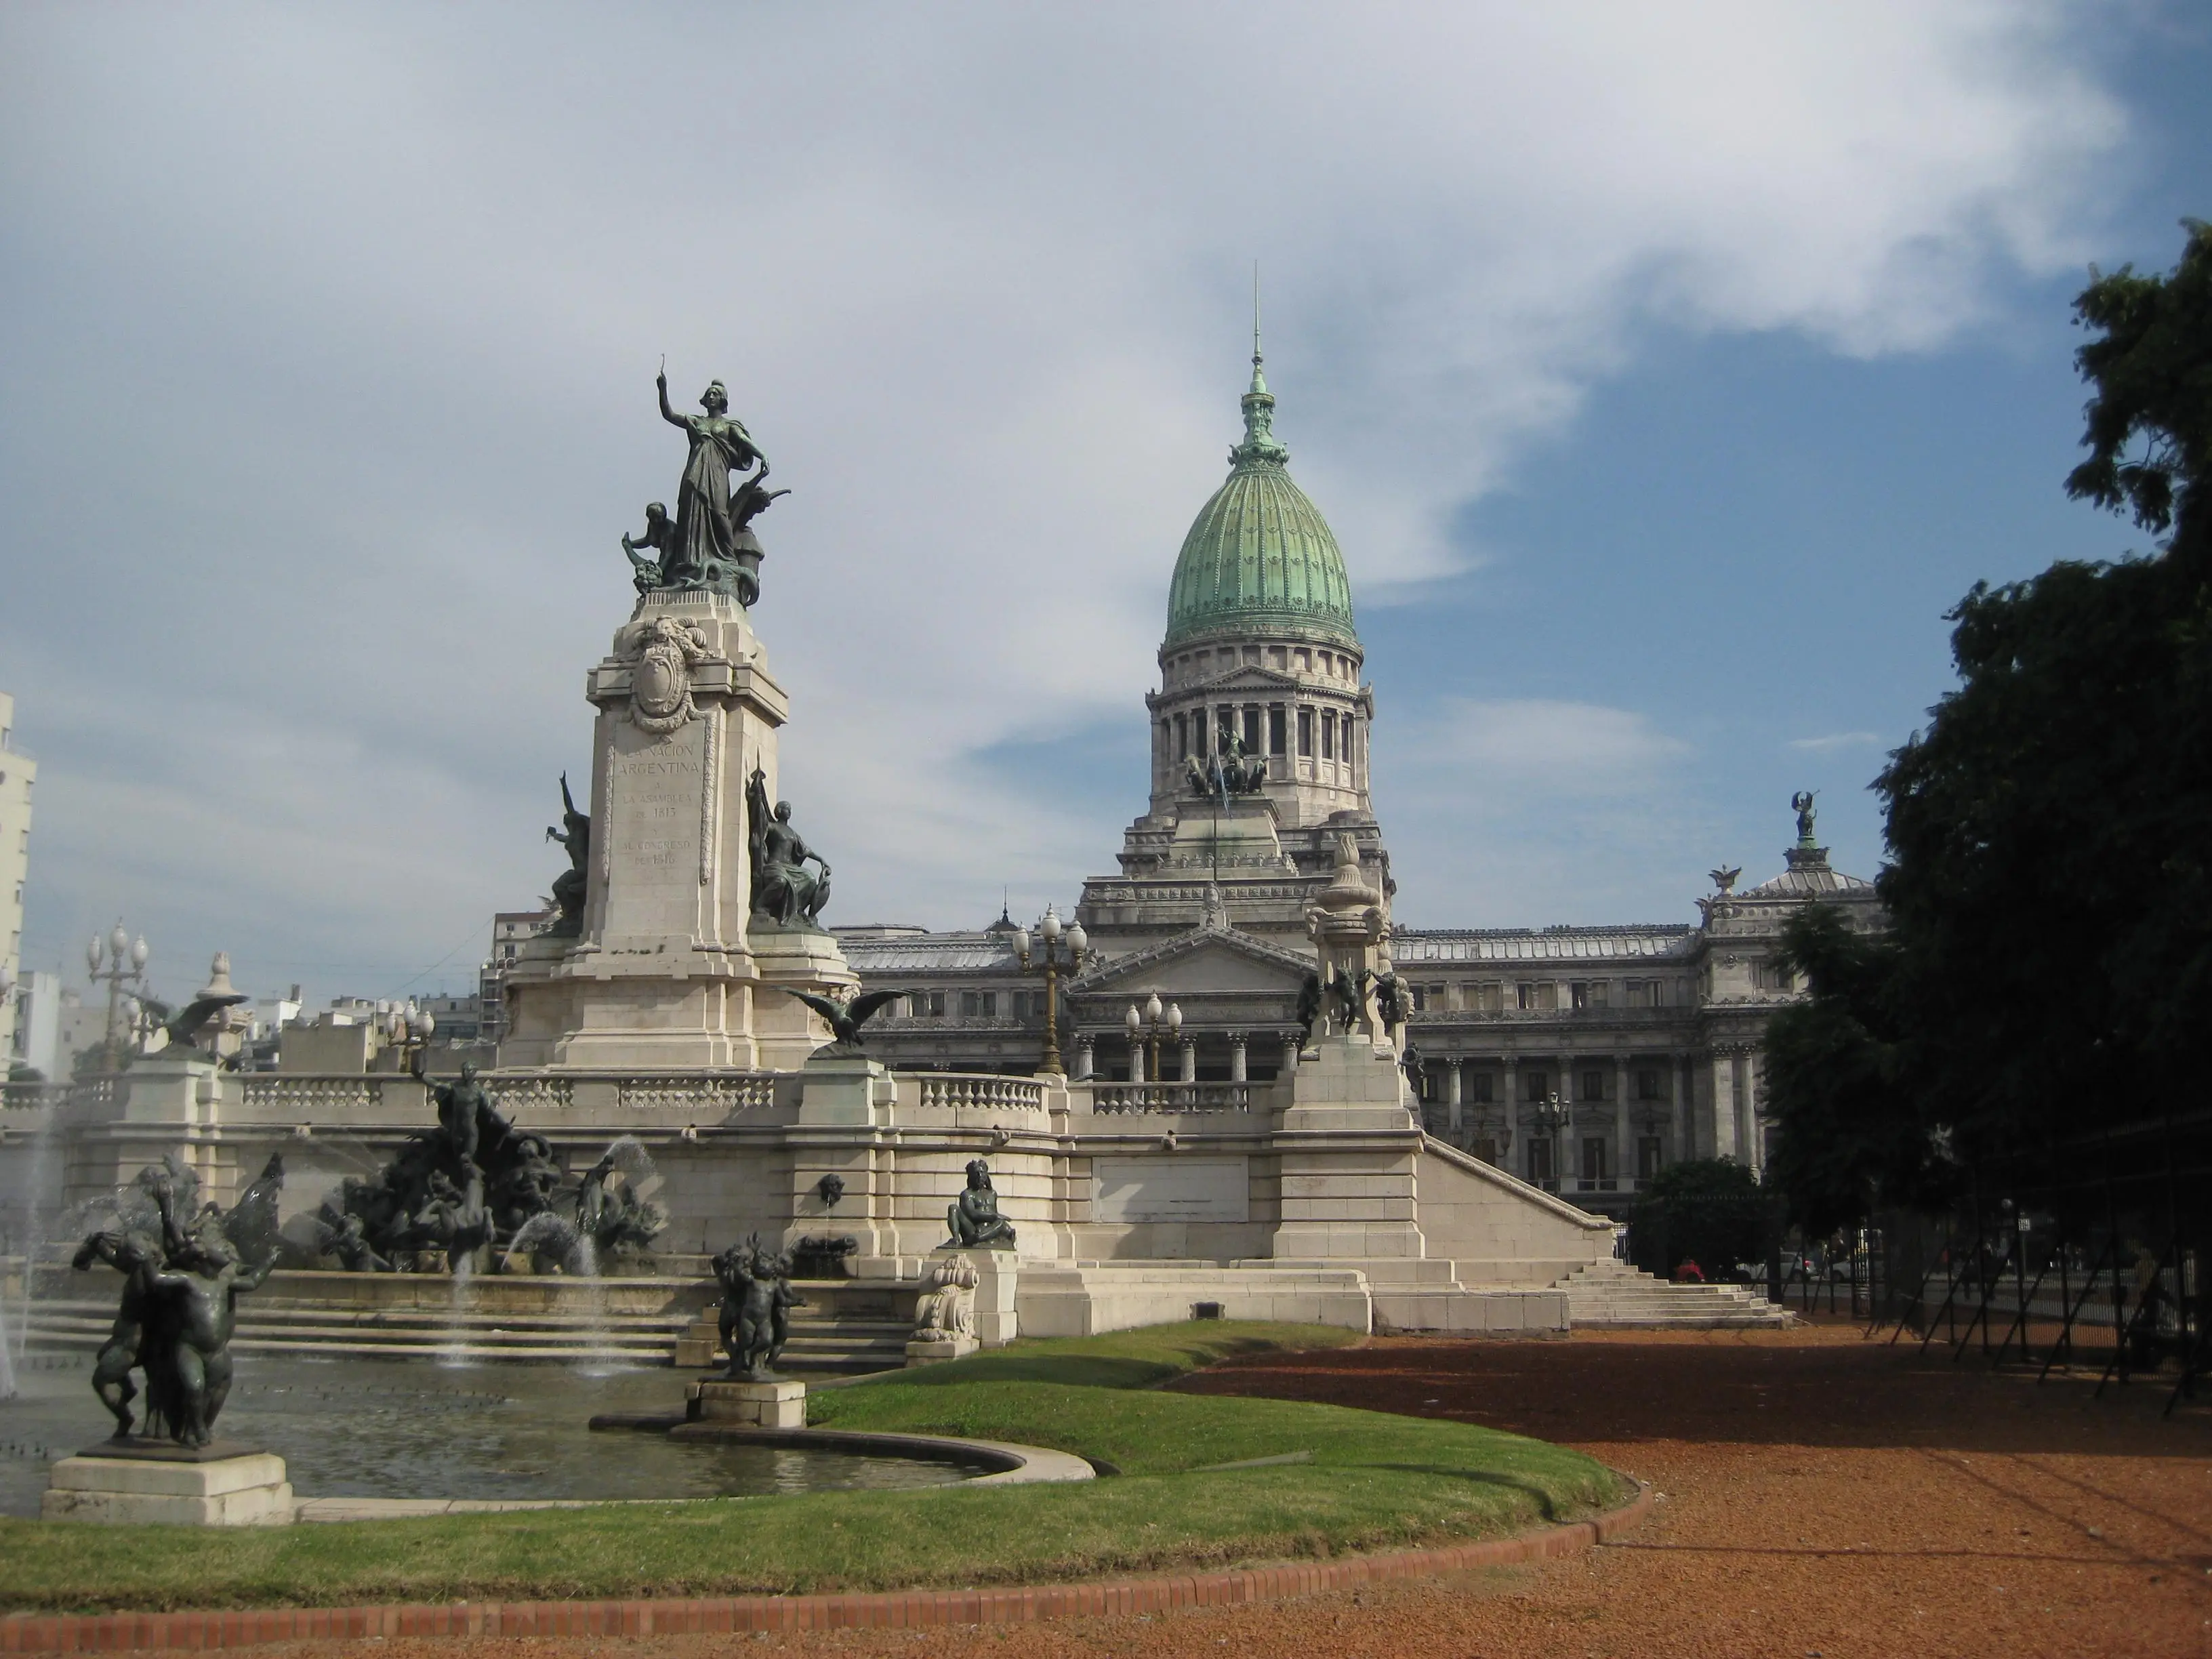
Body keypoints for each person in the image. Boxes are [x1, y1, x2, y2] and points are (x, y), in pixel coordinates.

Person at [657, 367, 763, 585]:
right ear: (704, 400)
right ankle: (690, 561)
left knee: (718, 512)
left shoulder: (728, 425)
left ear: (723, 400)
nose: (712, 397)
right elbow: (669, 414)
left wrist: (762, 456)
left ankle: (727, 558)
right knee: (691, 514)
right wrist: (663, 389)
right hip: (695, 473)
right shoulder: (696, 422)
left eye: (716, 394)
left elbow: (744, 441)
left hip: (717, 474)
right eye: (709, 394)